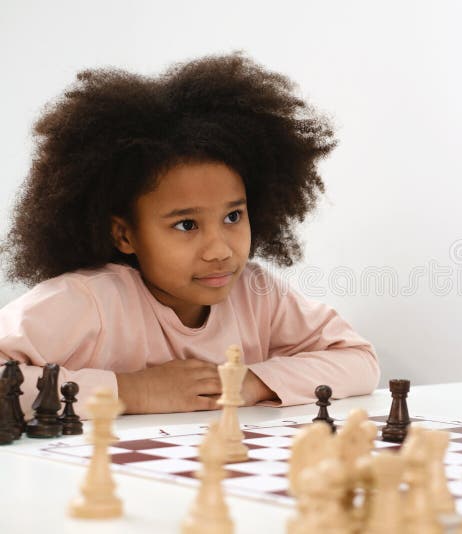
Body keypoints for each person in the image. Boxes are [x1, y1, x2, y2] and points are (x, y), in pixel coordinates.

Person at [0, 54, 379, 416]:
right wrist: (133, 391)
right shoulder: (87, 301)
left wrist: (252, 382)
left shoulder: (257, 295)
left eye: (233, 216)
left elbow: (359, 361)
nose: (219, 251)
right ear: (124, 235)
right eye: (186, 225)